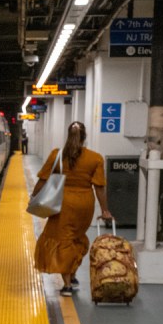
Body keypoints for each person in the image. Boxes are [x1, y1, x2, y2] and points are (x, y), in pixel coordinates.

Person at [31, 121, 112, 296]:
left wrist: (34, 196)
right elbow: (99, 187)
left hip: (63, 203)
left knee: (63, 240)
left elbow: (43, 179)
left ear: (68, 135)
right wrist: (105, 210)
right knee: (77, 237)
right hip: (85, 204)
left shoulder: (57, 155)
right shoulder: (95, 158)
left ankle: (67, 285)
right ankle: (72, 274)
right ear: (84, 137)